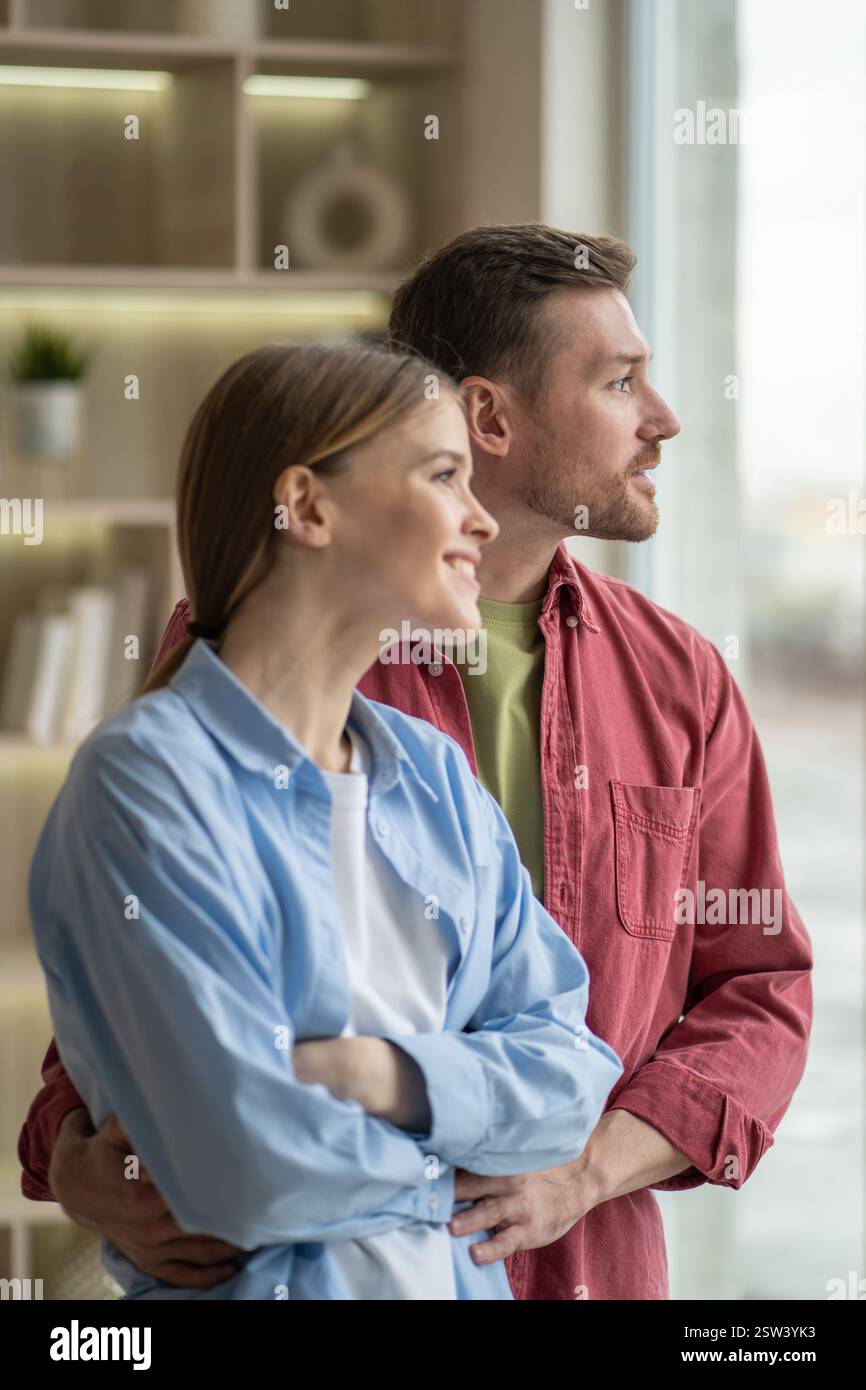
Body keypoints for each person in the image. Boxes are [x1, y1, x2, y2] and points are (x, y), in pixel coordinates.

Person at [20, 225, 812, 1302]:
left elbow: (753, 988)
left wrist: (579, 1169)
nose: (661, 419)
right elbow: (146, 1017)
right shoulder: (227, 688)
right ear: (489, 413)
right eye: (621, 381)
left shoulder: (668, 682)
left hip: (589, 1274)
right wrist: (78, 1154)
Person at [25, 340, 623, 1300]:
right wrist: (464, 1149)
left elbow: (571, 1078)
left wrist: (384, 1076)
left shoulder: (431, 775)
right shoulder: (146, 786)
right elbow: (246, 1170)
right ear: (305, 506)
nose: (480, 517)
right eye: (443, 475)